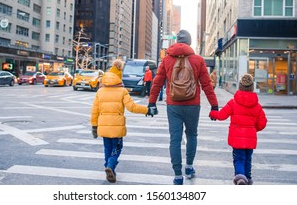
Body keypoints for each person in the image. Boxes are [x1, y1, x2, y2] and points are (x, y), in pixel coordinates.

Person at [148, 29, 219, 185]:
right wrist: (214, 105)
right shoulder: (198, 60)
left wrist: (152, 103)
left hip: (173, 105)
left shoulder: (166, 60)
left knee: (175, 140)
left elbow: (157, 83)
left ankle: (177, 175)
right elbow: (207, 84)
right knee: (192, 135)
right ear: (189, 42)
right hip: (193, 105)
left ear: (177, 42)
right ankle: (189, 167)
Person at [90, 59, 158, 183]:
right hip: (117, 127)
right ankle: (110, 166)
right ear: (119, 76)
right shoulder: (122, 91)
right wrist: (147, 110)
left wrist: (94, 126)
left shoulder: (100, 91)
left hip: (103, 126)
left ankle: (109, 168)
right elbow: (132, 107)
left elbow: (94, 110)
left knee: (107, 148)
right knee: (117, 147)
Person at [209, 73, 267, 185]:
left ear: (240, 87)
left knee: (239, 159)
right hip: (250, 140)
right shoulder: (257, 106)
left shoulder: (233, 103)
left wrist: (212, 113)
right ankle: (247, 177)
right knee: (247, 159)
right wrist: (253, 129)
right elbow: (262, 123)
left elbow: (222, 115)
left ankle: (240, 178)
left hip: (237, 139)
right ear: (252, 88)